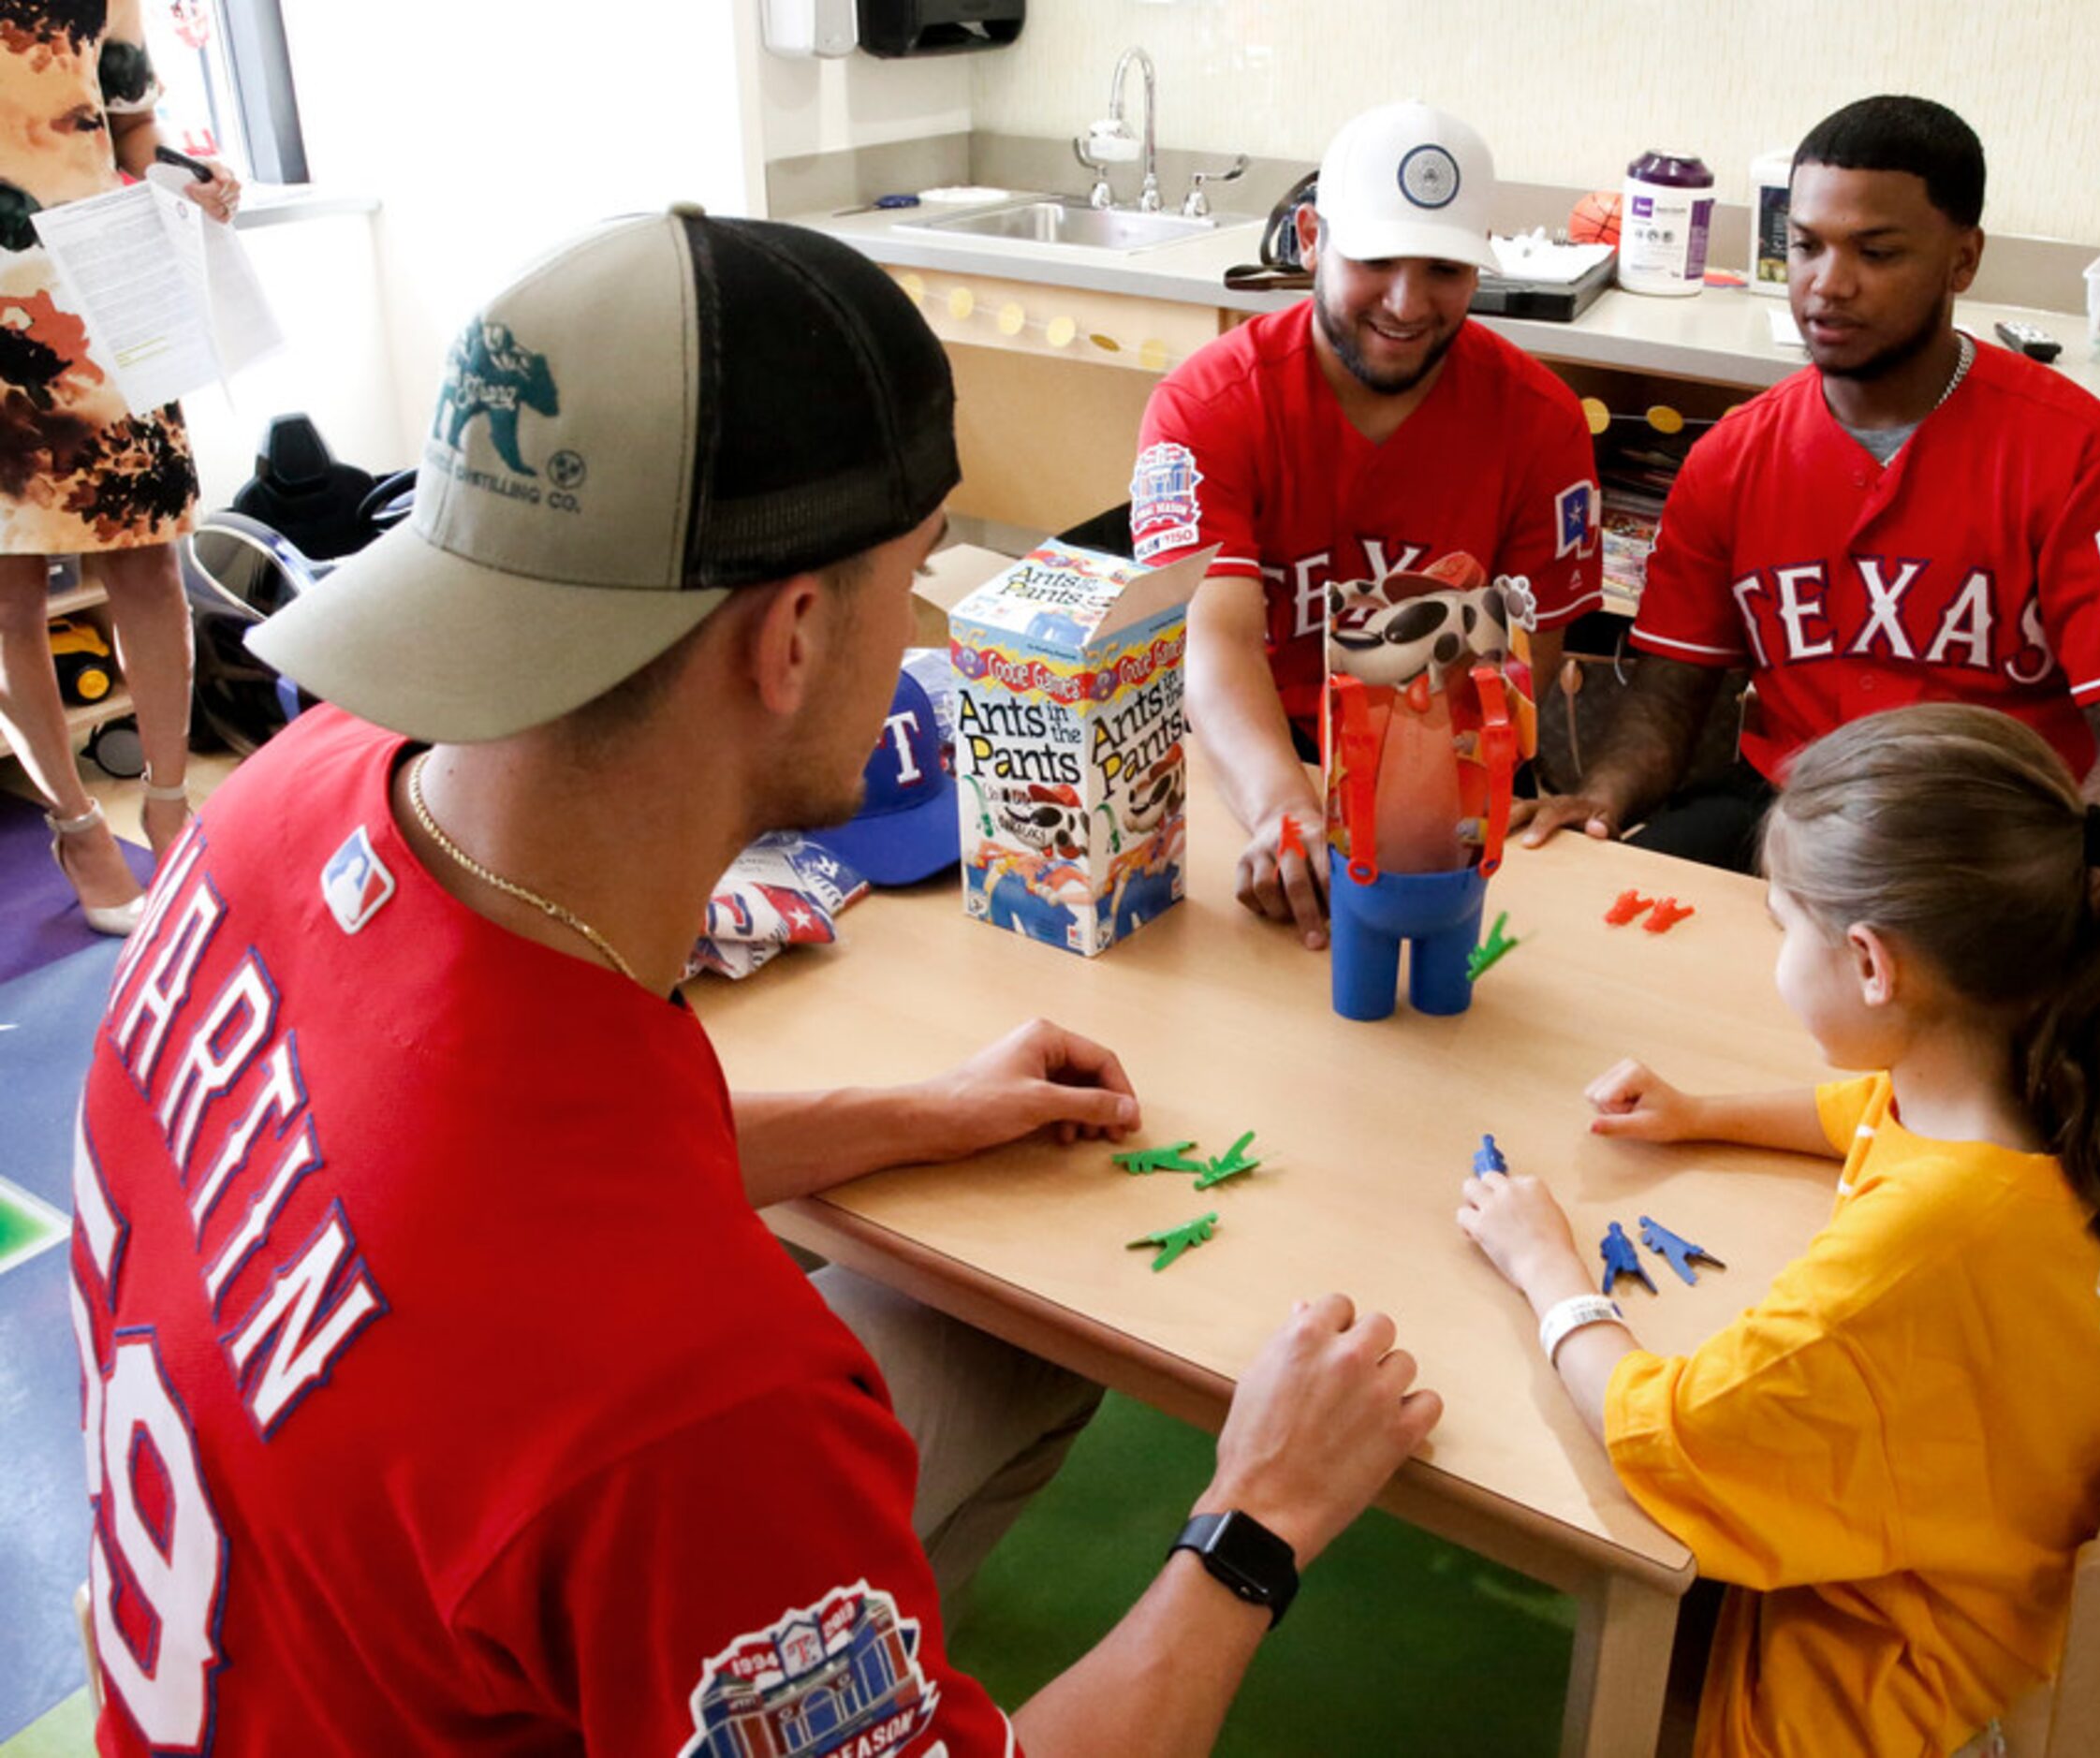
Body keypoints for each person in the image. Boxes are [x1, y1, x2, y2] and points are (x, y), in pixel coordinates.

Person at [71, 210, 1439, 1756]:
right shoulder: (696, 1401)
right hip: (505, 1598)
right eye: (914, 578)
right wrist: (1253, 1518)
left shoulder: (288, 795)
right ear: (791, 632)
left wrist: (914, 1108)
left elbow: (483, 1193)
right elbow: (592, 1310)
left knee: (1002, 1323)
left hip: (273, 1655)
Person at [1460, 703, 2100, 1754]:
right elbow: (1866, 1115)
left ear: (1875, 966)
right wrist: (1703, 1111)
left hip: (1869, 1678)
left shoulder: (1928, 1239)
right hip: (1981, 1562)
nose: (1777, 954)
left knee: (1575, 1551)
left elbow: (1670, 1435)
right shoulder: (2050, 1091)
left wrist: (1547, 1270)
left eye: (1786, 927)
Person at [1520, 96, 2100, 872]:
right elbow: (1670, 694)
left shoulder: (2082, 458)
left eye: (1875, 254)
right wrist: (1603, 798)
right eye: (1807, 246)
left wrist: (2056, 880)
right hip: (1792, 809)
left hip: (1994, 838)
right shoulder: (1733, 456)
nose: (1827, 284)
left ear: (1963, 260)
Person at [1133, 100, 1603, 946]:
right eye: (1376, 259)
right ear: (1311, 239)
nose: (1406, 302)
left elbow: (1526, 652)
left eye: (1445, 271)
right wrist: (1284, 806)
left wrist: (1443, 806)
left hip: (1442, 778)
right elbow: (1214, 640)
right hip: (1257, 754)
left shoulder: (1540, 419)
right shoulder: (1206, 407)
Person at [0, 0, 242, 931]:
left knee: (147, 556)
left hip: (99, 289)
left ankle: (173, 804)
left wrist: (190, 182)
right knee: (9, 589)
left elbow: (130, 124)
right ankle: (74, 823)